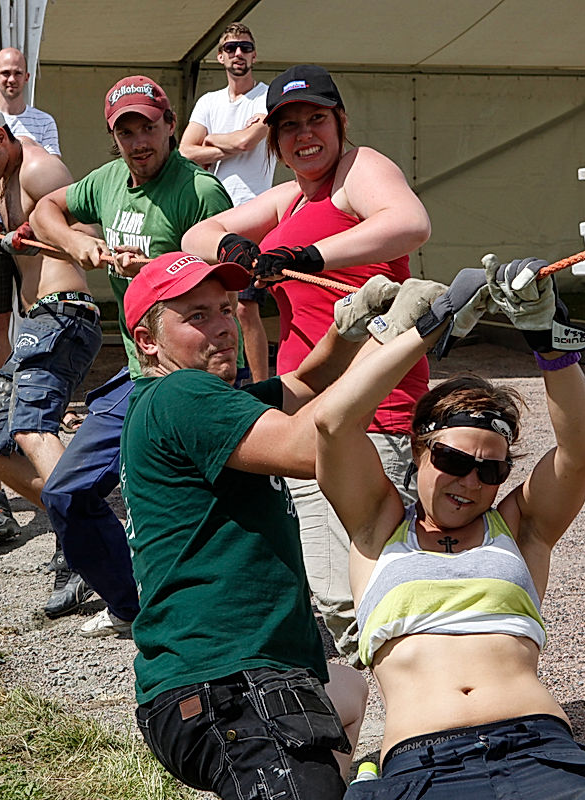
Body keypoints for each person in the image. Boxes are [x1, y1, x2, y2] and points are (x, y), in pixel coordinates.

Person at [314, 257, 585, 799]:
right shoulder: (377, 525)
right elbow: (333, 424)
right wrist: (425, 329)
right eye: (452, 459)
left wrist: (549, 342)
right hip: (423, 761)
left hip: (540, 746)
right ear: (418, 450)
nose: (470, 481)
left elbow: (580, 453)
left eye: (491, 469)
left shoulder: (520, 527)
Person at [123, 253, 453, 799]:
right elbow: (312, 445)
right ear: (148, 342)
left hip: (215, 683)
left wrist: (351, 327)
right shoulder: (183, 396)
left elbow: (305, 382)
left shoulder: (177, 402)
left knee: (345, 690)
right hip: (233, 687)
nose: (224, 327)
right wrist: (407, 334)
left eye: (226, 309)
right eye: (197, 316)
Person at [182, 64, 432, 664]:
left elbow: (409, 224)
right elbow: (197, 233)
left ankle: (408, 721)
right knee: (343, 589)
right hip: (310, 405)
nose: (303, 135)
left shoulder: (357, 169)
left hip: (372, 414)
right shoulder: (293, 196)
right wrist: (234, 248)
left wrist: (310, 255)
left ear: (340, 122)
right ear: (274, 140)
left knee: (358, 592)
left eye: (315, 118)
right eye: (288, 126)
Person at [30, 75, 232, 628]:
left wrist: (158, 271)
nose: (139, 142)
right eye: (127, 132)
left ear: (170, 124)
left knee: (193, 507)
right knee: (68, 493)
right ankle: (131, 608)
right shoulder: (108, 182)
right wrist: (79, 243)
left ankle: (217, 613)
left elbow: (223, 292)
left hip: (190, 376)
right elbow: (45, 208)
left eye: (148, 127)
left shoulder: (200, 192)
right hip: (138, 370)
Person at [0, 101, 100, 549]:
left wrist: (36, 239)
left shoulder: (39, 171)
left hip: (65, 315)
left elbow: (90, 241)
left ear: (1, 138)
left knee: (33, 429)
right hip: (40, 322)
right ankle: (85, 526)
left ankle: (87, 540)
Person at [179, 22, 274, 382]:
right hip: (213, 218)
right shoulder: (208, 101)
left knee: (247, 307)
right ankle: (224, 378)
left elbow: (250, 142)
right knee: (219, 305)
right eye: (232, 48)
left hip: (255, 213)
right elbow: (185, 151)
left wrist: (211, 142)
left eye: (245, 47)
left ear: (254, 54)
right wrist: (229, 140)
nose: (239, 54)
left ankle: (262, 387)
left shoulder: (268, 96)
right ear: (220, 56)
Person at [0, 46, 64, 381]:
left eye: (17, 72)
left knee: (38, 309)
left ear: (27, 77)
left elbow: (52, 178)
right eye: (5, 72)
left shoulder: (44, 121)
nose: (11, 79)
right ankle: (4, 392)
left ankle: (42, 384)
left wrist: (31, 227)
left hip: (31, 233)